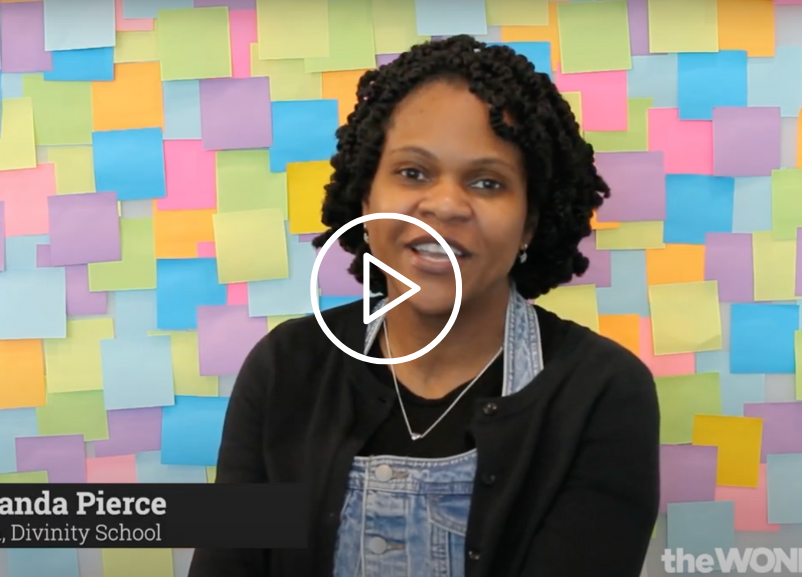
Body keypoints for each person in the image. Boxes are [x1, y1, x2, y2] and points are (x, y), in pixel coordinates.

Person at [189, 34, 660, 577]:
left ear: (530, 221)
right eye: (413, 173)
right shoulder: (284, 367)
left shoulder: (602, 392)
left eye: (488, 182)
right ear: (366, 197)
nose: (443, 205)